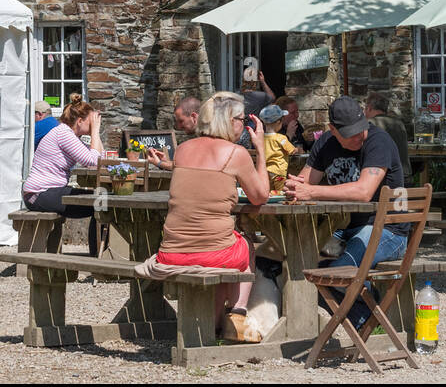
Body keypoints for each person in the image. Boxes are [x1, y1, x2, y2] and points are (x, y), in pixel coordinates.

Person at [145, 91, 269, 341]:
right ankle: (238, 315)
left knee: (224, 248)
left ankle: (210, 326)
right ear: (228, 121)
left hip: (171, 252)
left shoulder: (182, 149)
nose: (244, 126)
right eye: (241, 120)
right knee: (244, 246)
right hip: (211, 252)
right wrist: (261, 149)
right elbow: (261, 196)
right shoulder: (236, 153)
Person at [284, 96, 407, 268]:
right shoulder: (325, 143)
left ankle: (360, 295)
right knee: (300, 257)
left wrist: (310, 192)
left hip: (387, 230)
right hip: (342, 229)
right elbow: (304, 183)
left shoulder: (379, 141)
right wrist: (295, 186)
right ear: (332, 129)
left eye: (361, 129)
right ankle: (356, 294)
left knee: (340, 268)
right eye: (350, 134)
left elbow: (363, 192)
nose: (358, 137)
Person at [22, 92, 104, 257]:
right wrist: (95, 131)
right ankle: (98, 256)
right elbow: (93, 161)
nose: (93, 124)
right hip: (38, 194)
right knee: (101, 202)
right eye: (90, 121)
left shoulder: (68, 134)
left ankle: (99, 254)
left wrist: (95, 132)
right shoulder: (63, 133)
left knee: (102, 200)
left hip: (46, 191)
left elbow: (100, 158)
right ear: (80, 121)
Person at [363, 91, 411, 177]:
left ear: (369, 108)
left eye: (365, 109)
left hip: (383, 178)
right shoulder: (399, 123)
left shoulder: (369, 124)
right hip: (404, 175)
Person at [257, 102, 296, 193]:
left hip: (265, 171)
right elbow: (292, 150)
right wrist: (297, 149)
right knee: (280, 192)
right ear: (279, 122)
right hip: (278, 172)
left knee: (268, 191)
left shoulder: (260, 137)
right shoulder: (281, 138)